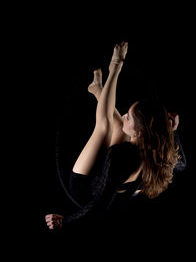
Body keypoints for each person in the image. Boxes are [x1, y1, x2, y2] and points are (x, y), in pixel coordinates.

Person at [45, 42, 186, 230]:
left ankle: (114, 68)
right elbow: (183, 164)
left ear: (139, 133)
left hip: (85, 191)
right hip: (115, 181)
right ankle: (97, 89)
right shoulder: (159, 147)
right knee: (120, 126)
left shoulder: (123, 157)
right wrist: (173, 132)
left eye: (129, 116)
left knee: (104, 126)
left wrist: (65, 221)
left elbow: (100, 205)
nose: (124, 114)